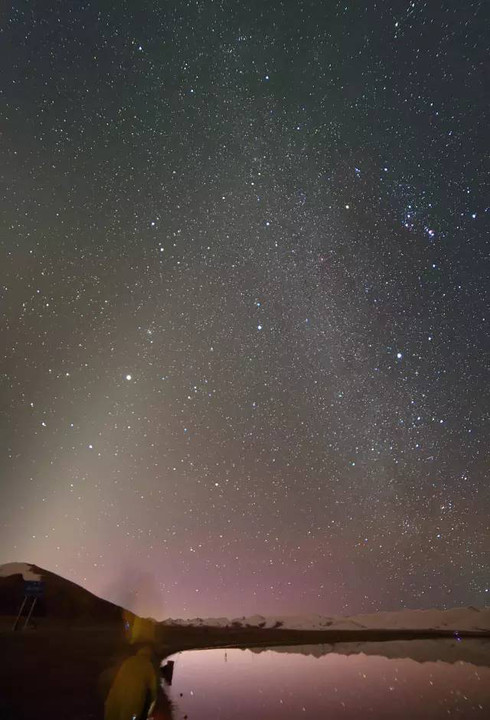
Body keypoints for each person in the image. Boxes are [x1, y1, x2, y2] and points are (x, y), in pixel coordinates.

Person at [104, 643, 160, 720]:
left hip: (115, 700)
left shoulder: (128, 662)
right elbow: (153, 693)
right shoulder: (148, 666)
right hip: (132, 705)